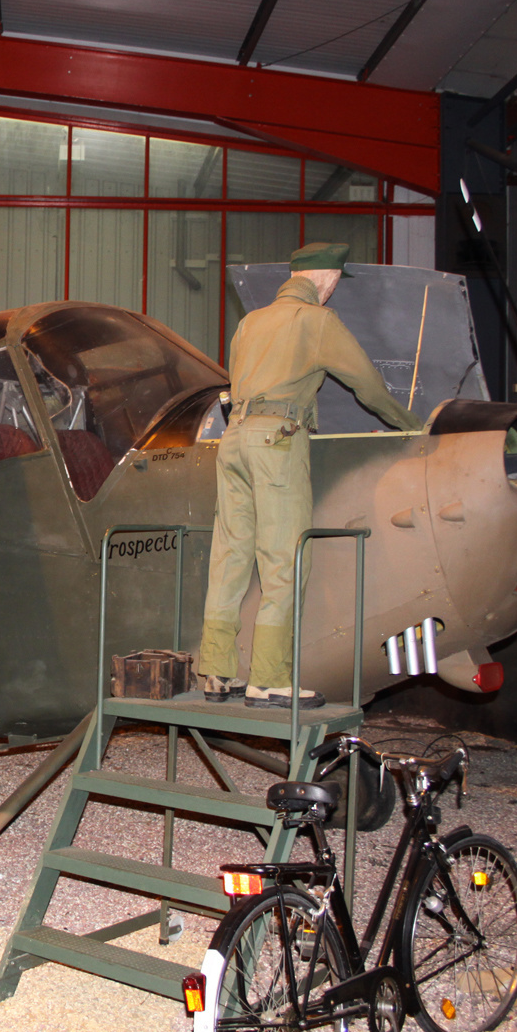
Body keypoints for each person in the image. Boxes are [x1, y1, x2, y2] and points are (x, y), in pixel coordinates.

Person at [200, 243, 421, 708]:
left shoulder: (250, 323)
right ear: (327, 278)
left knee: (230, 556)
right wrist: (410, 425)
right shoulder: (317, 321)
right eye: (338, 280)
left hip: (234, 438)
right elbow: (367, 385)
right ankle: (269, 678)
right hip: (277, 442)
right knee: (285, 558)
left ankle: (216, 670)